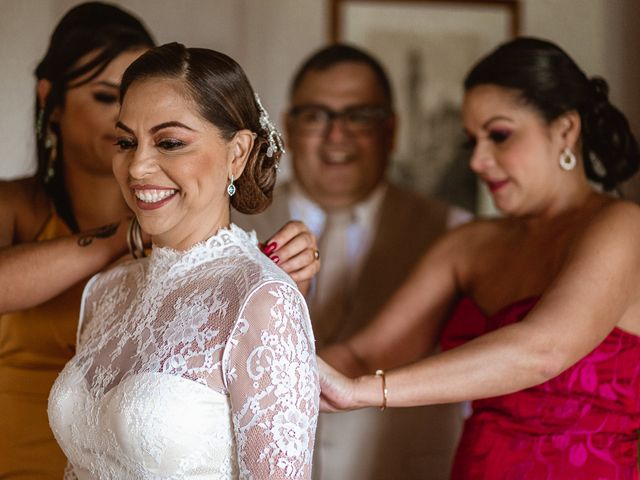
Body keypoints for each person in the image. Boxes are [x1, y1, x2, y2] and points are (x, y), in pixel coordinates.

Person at [0, 3, 318, 478]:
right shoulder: (105, 291)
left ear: (238, 152)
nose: (137, 167)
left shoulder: (262, 297)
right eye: (125, 142)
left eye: (169, 142)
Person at [319, 37, 640, 479]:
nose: (478, 161)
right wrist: (254, 370)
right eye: (473, 141)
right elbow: (366, 352)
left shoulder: (623, 227)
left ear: (565, 129)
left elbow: (542, 350)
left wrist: (365, 392)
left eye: (500, 135)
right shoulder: (469, 243)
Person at [234, 44, 470, 480]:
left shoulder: (454, 230)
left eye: (359, 116)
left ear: (391, 130)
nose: (336, 134)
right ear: (287, 126)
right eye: (316, 115)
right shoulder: (230, 227)